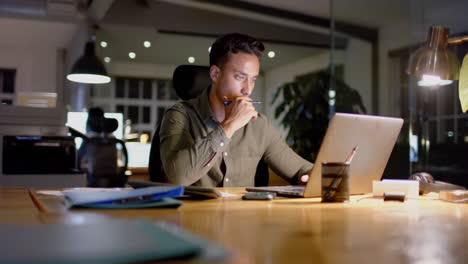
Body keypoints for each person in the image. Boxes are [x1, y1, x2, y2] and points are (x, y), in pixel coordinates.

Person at [159, 33, 313, 187]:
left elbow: (301, 170)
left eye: (253, 79)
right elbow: (178, 177)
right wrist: (229, 126)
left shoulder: (259, 124)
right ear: (215, 74)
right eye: (240, 77)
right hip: (194, 211)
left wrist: (318, 175)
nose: (247, 89)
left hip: (243, 211)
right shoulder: (179, 115)